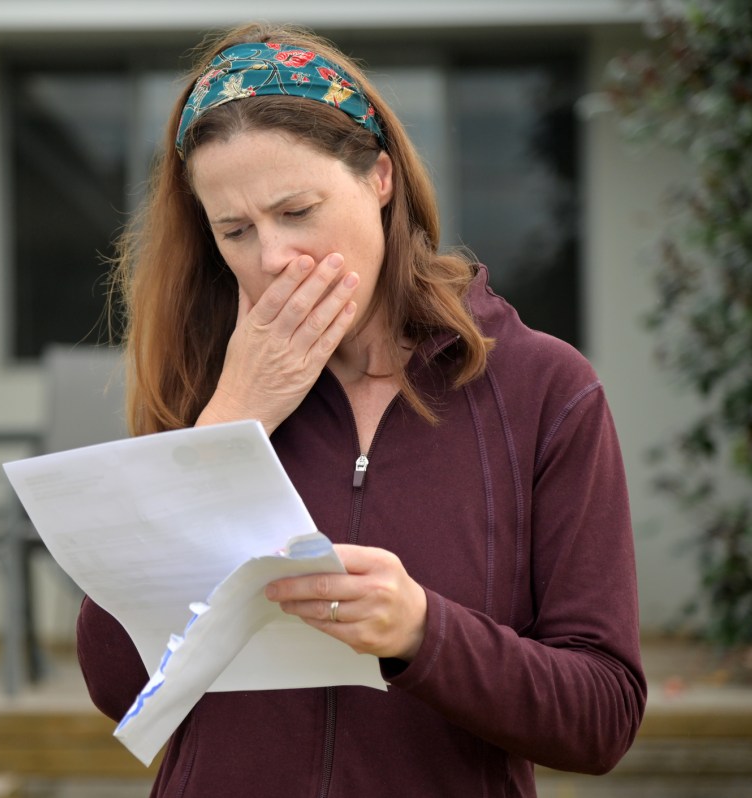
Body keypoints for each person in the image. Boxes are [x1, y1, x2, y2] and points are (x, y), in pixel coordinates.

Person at [77, 21, 646, 798]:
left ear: (380, 179)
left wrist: (423, 632)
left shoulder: (545, 389)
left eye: (297, 210)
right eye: (235, 231)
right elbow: (116, 683)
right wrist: (230, 425)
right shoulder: (205, 387)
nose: (272, 257)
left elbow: (603, 717)